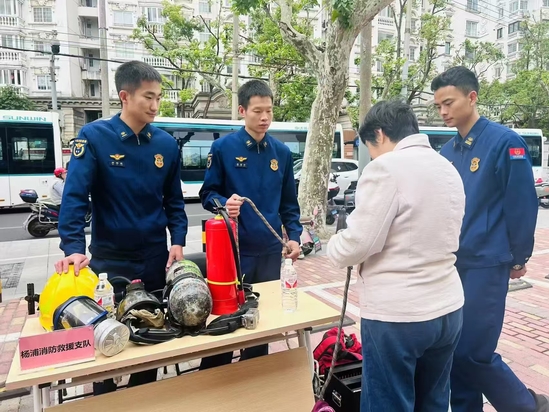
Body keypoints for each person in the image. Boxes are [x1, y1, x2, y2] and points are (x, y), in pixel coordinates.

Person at [55, 60, 188, 395]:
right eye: (148, 97)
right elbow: (75, 197)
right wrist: (73, 248)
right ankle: (104, 399)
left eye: (159, 97)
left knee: (150, 336)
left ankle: (143, 397)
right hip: (110, 261)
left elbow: (174, 200)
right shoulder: (95, 137)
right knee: (105, 340)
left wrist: (178, 240)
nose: (155, 105)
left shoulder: (166, 145)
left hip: (155, 258)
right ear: (125, 96)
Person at [327, 99, 465, 412]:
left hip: (399, 316)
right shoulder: (447, 167)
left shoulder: (386, 168)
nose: (372, 156)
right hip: (448, 307)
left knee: (387, 403)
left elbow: (359, 242)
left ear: (380, 133)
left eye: (370, 148)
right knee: (433, 401)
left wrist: (333, 245)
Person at [431, 66, 549, 412]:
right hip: (453, 264)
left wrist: (519, 257)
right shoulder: (447, 152)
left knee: (473, 351)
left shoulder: (504, 142)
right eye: (438, 106)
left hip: (487, 262)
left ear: (472, 97)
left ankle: (527, 405)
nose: (443, 112)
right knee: (455, 349)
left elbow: (522, 205)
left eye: (449, 103)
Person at [198, 79, 302, 369]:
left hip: (268, 252)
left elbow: (289, 205)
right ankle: (214, 379)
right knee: (224, 321)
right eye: (257, 111)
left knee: (261, 324)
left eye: (269, 111)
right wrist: (224, 204)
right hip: (232, 252)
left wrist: (294, 236)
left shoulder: (281, 153)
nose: (264, 117)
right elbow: (207, 194)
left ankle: (254, 378)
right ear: (242, 111)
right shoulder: (222, 148)